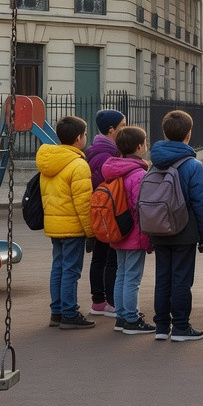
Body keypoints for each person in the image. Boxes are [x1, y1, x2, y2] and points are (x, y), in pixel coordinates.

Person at [147, 110, 203, 342]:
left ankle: (162, 327)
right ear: (189, 134)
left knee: (162, 277)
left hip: (159, 228)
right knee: (182, 279)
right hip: (185, 230)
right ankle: (182, 327)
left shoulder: (154, 162)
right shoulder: (192, 164)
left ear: (164, 131)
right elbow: (201, 203)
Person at [36, 115, 95, 329]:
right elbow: (83, 203)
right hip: (73, 226)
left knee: (58, 268)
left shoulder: (49, 162)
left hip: (54, 224)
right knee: (71, 270)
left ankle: (57, 311)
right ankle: (69, 312)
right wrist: (90, 231)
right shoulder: (78, 165)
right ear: (79, 137)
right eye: (85, 135)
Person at [102, 125, 154, 335]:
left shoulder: (113, 169)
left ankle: (122, 315)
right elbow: (139, 205)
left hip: (117, 229)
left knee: (121, 274)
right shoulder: (138, 173)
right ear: (139, 146)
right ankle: (131, 318)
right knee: (132, 276)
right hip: (133, 233)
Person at [84, 109, 125, 317]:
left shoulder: (96, 150)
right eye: (122, 127)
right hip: (107, 212)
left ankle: (98, 301)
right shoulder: (106, 155)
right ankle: (109, 300)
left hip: (99, 211)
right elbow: (106, 184)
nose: (125, 130)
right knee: (110, 258)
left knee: (100, 257)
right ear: (111, 130)